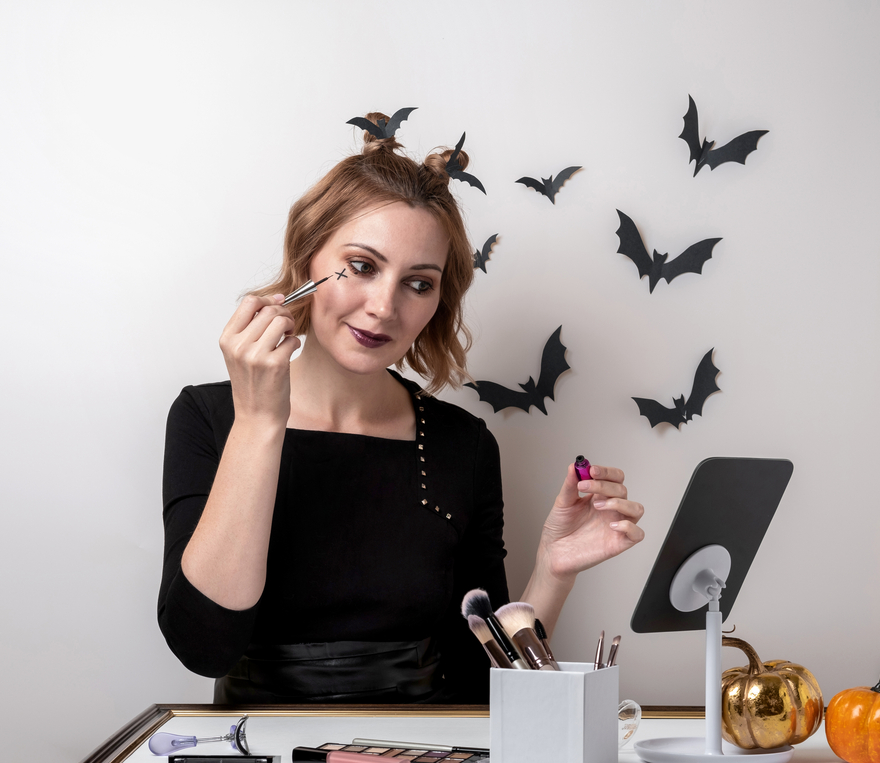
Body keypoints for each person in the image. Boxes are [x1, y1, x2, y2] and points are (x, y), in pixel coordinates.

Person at [159, 113, 646, 703]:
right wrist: (260, 420)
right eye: (362, 266)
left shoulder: (463, 444)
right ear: (307, 259)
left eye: (418, 283)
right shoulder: (207, 417)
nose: (385, 307)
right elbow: (203, 646)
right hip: (260, 749)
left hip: (424, 750)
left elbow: (483, 686)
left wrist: (553, 571)